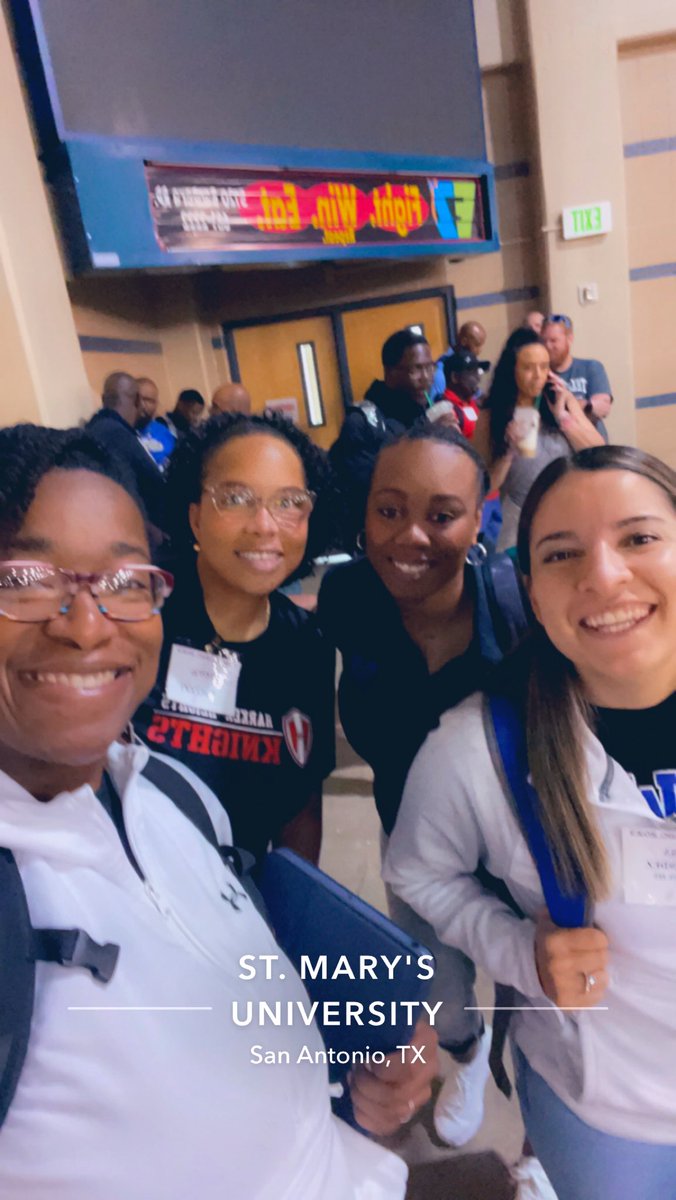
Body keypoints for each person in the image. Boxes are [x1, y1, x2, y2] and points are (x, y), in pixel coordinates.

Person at [0, 423, 436, 1200]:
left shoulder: (171, 795)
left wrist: (351, 1058)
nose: (87, 621)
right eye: (25, 578)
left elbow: (248, 958)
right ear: (194, 519)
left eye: (125, 580)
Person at [385, 443, 676, 1199]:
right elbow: (415, 869)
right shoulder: (475, 751)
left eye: (640, 538)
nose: (605, 576)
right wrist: (518, 951)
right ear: (531, 592)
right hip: (612, 1116)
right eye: (561, 554)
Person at [318, 423, 530, 1151]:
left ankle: (541, 1143)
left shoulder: (518, 609)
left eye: (441, 514)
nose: (410, 535)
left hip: (522, 835)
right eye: (389, 509)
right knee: (436, 988)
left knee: (550, 992)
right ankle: (467, 1060)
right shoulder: (348, 596)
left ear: (479, 521)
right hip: (408, 832)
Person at [133, 411, 337, 864]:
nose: (264, 525)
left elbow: (301, 805)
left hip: (238, 903)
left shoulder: (306, 645)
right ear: (195, 518)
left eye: (288, 502)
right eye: (236, 498)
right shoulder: (142, 619)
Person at [474, 328, 604, 552]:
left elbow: (600, 453)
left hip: (569, 511)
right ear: (511, 370)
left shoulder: (561, 400)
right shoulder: (490, 416)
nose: (537, 376)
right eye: (527, 367)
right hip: (520, 520)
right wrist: (508, 452)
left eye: (544, 367)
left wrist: (564, 418)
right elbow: (482, 487)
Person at [330, 329, 457, 548]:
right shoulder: (364, 421)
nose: (426, 378)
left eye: (430, 367)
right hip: (382, 545)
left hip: (430, 535)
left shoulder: (426, 412)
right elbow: (368, 489)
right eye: (417, 369)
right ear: (390, 372)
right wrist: (423, 438)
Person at [86, 371, 166, 533]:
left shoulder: (91, 430)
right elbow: (156, 487)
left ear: (103, 399)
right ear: (137, 400)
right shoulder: (118, 435)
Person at [541, 313, 612, 423]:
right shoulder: (540, 375)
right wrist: (586, 405)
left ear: (569, 339)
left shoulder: (591, 367)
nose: (548, 346)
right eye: (544, 341)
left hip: (591, 438)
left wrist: (566, 405)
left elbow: (603, 408)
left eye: (553, 340)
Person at [439, 347, 491, 439]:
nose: (478, 378)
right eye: (472, 373)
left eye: (478, 372)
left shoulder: (471, 402)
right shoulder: (445, 410)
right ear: (454, 377)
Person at [432, 319, 488, 396]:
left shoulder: (472, 362)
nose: (480, 351)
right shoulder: (440, 370)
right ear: (464, 342)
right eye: (477, 345)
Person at [136, 375, 176, 469]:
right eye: (138, 399)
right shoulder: (121, 432)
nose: (143, 405)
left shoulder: (164, 433)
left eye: (148, 400)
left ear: (156, 404)